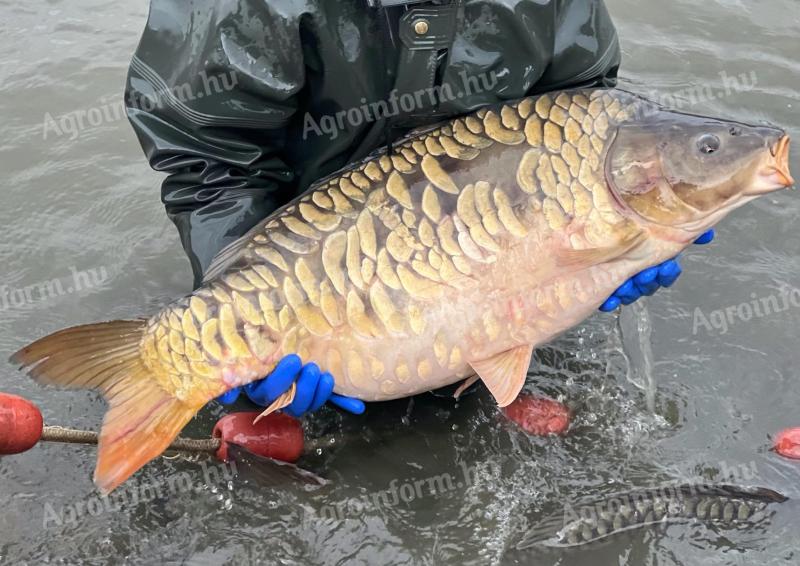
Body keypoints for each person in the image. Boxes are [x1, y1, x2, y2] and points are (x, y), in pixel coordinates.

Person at [124, 0, 713, 417]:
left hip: (482, 245)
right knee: (230, 371)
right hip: (310, 257)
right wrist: (239, 303)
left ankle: (475, 374)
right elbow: (208, 160)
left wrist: (604, 250)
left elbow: (586, 104)